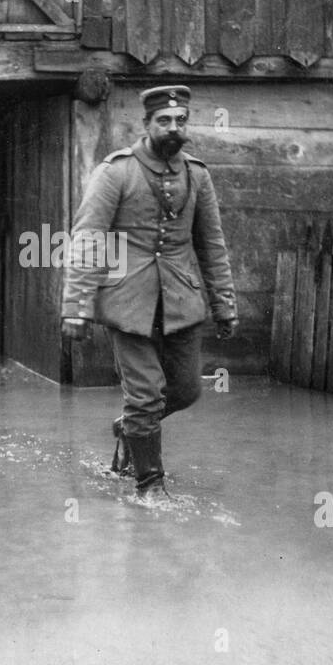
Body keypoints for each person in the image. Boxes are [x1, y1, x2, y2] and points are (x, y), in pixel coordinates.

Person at [62, 85, 238, 496]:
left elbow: (212, 243)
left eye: (180, 121)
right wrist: (77, 306)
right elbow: (88, 238)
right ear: (146, 125)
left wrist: (224, 303)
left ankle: (129, 430)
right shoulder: (116, 171)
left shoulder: (197, 175)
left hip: (180, 300)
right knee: (145, 396)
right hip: (128, 302)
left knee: (186, 390)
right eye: (164, 121)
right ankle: (149, 486)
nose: (173, 128)